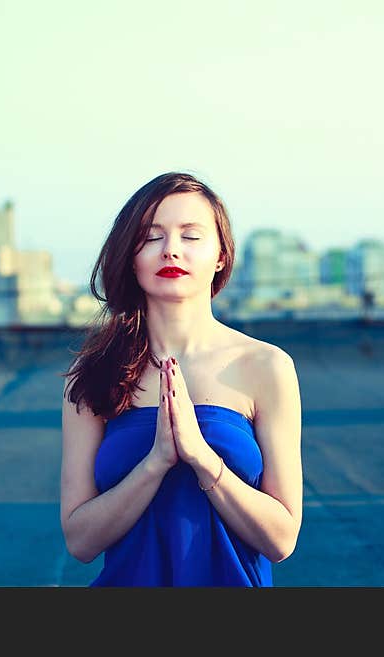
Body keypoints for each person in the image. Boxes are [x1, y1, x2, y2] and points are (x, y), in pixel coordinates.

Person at [60, 171, 303, 586]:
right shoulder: (93, 374)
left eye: (191, 236)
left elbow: (281, 540)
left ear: (221, 255)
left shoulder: (267, 367)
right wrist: (155, 463)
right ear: (130, 256)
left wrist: (202, 459)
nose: (171, 250)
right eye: (151, 237)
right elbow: (80, 542)